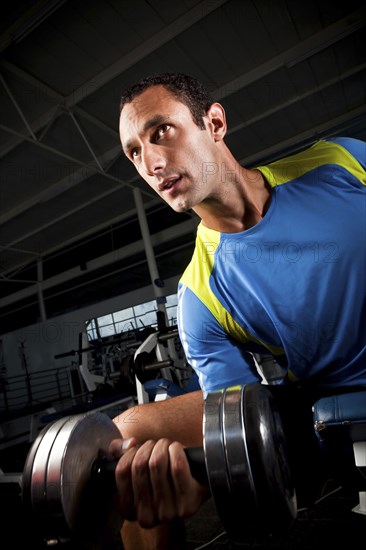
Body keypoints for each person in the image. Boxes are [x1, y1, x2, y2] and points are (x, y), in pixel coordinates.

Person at [111, 73, 366, 548]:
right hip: (324, 408)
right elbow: (241, 424)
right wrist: (210, 470)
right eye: (134, 152)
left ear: (214, 122)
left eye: (160, 131)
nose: (151, 162)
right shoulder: (199, 295)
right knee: (131, 431)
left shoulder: (339, 161)